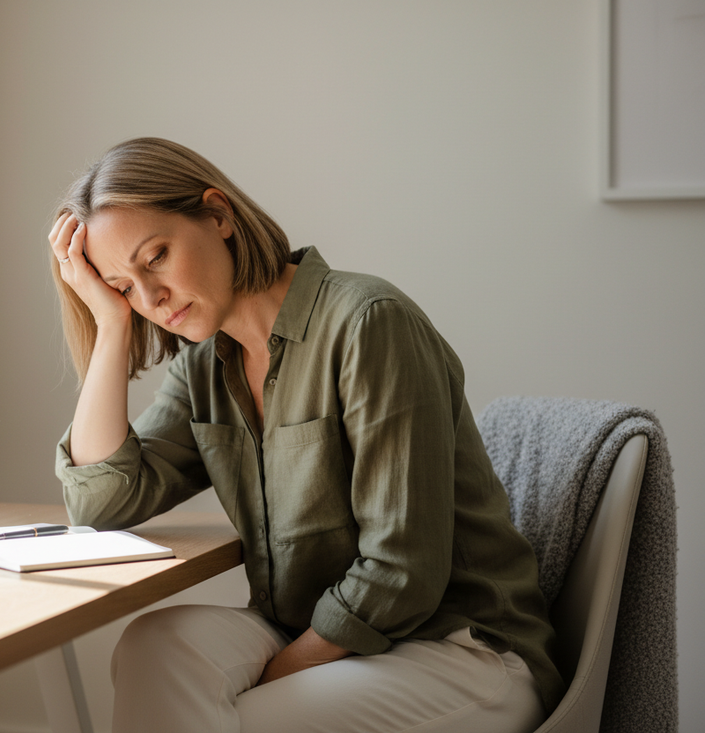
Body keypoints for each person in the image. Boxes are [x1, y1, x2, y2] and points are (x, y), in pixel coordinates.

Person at [48, 137, 564, 733]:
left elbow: (401, 571)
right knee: (155, 643)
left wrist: (276, 673)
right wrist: (111, 329)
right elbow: (99, 502)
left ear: (218, 216)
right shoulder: (205, 366)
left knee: (241, 720)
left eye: (155, 257)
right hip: (307, 629)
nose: (150, 298)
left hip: (458, 649)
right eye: (122, 286)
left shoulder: (369, 323)